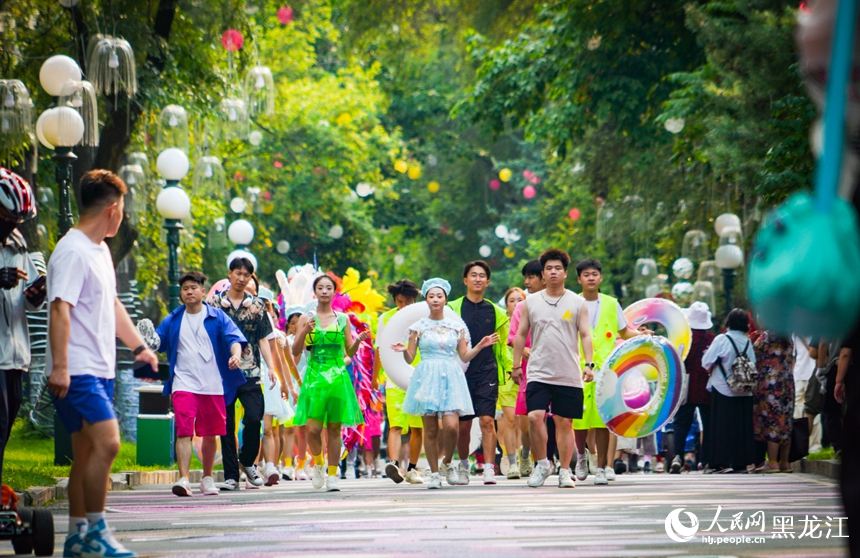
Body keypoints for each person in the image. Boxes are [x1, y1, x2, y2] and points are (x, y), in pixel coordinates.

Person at [47, 170, 158, 558]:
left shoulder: (99, 251)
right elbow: (60, 307)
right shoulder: (73, 250)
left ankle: (78, 536)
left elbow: (111, 305)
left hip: (99, 368)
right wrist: (60, 366)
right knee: (109, 442)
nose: (123, 217)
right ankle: (96, 530)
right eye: (123, 210)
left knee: (87, 455)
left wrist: (139, 347)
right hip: (77, 370)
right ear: (112, 209)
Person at [394, 278, 497, 489]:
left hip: (451, 377)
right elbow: (411, 358)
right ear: (426, 299)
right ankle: (433, 474)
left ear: (445, 299)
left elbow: (465, 356)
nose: (435, 300)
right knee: (430, 430)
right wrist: (405, 349)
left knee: (451, 426)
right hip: (427, 377)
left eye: (439, 296)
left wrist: (480, 346)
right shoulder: (417, 328)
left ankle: (448, 462)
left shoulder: (456, 327)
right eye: (431, 296)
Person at [155, 271, 246, 497]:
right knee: (184, 430)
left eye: (193, 288)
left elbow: (234, 339)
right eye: (185, 289)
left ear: (202, 291)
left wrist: (236, 355)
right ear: (181, 294)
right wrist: (147, 341)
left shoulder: (217, 317)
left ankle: (206, 478)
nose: (189, 292)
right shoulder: (173, 320)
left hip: (212, 384)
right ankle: (184, 479)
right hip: (183, 383)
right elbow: (157, 342)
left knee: (209, 433)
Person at [512, 249, 595, 489]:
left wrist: (589, 364)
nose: (553, 272)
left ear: (566, 273)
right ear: (543, 273)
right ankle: (542, 463)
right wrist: (516, 365)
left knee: (564, 422)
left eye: (557, 268)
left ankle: (565, 471)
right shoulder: (531, 302)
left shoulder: (577, 302)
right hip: (538, 370)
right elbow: (520, 335)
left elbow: (586, 335)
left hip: (568, 371)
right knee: (534, 417)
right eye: (548, 268)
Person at [207, 258, 280, 490]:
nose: (241, 279)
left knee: (253, 418)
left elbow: (263, 339)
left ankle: (247, 461)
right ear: (229, 274)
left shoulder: (257, 306)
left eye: (246, 275)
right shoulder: (215, 304)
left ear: (251, 278)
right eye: (237, 273)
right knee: (225, 424)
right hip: (223, 374)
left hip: (250, 372)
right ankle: (230, 476)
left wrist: (271, 368)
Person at [291, 275, 367, 492]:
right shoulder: (307, 318)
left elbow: (348, 351)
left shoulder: (343, 319)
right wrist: (304, 331)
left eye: (329, 288)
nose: (324, 291)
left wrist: (358, 342)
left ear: (335, 292)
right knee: (313, 429)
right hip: (314, 377)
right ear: (315, 292)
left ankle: (332, 475)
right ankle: (318, 463)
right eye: (320, 288)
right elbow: (295, 351)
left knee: (334, 429)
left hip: (337, 378)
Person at [573, 258, 643, 485]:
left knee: (603, 420)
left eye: (594, 274)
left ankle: (602, 467)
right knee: (579, 420)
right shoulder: (571, 303)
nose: (591, 278)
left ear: (600, 278)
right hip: (576, 369)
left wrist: (642, 334)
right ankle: (582, 457)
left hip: (605, 371)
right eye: (586, 275)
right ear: (579, 279)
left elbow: (625, 331)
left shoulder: (612, 304)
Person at [0, 168, 45, 497]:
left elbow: (30, 302)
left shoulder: (18, 243)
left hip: (16, 355)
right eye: (7, 217)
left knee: (6, 426)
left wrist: (38, 292)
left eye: (18, 219)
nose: (13, 225)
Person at [448, 261, 512, 485]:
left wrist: (511, 368)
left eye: (481, 275)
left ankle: (489, 469)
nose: (477, 279)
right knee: (464, 425)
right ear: (465, 280)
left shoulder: (496, 312)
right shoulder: (453, 308)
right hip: (461, 372)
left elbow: (504, 345)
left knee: (487, 420)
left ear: (488, 281)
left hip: (487, 371)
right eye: (473, 275)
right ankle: (464, 464)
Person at [372, 279, 425, 485]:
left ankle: (412, 468)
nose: (404, 306)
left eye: (409, 301)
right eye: (400, 301)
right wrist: (376, 377)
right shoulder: (386, 318)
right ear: (395, 300)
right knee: (395, 425)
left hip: (419, 377)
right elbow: (379, 349)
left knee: (417, 427)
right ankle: (394, 464)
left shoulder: (423, 319)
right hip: (394, 378)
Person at [701, 308, 757, 474]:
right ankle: (741, 462)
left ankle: (721, 461)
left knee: (722, 427)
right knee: (742, 427)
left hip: (723, 387)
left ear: (728, 322)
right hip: (745, 390)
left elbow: (706, 361)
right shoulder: (748, 341)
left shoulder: (721, 339)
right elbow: (753, 362)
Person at [507, 260, 544, 477]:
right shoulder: (522, 307)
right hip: (529, 369)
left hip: (554, 368)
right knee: (529, 419)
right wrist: (523, 354)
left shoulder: (562, 303)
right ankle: (526, 453)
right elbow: (513, 337)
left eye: (531, 277)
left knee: (551, 417)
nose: (526, 282)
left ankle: (546, 461)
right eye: (526, 277)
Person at [670, 302, 715, 473]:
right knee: (708, 424)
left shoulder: (682, 338)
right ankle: (707, 461)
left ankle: (677, 457)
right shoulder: (711, 339)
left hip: (685, 388)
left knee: (681, 423)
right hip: (706, 388)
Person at [752, 331, 795, 473]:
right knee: (785, 422)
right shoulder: (788, 337)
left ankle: (772, 462)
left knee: (772, 423)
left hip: (770, 384)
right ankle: (785, 462)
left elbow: (754, 353)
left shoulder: (766, 336)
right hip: (787, 384)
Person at [499, 287, 525, 478]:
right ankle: (512, 462)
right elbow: (500, 350)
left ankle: (526, 454)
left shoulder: (532, 320)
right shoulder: (501, 323)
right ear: (506, 304)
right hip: (507, 377)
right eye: (512, 301)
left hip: (528, 375)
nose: (516, 304)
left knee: (526, 423)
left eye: (519, 300)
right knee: (509, 420)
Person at [281, 307, 309, 480]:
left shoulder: (309, 341)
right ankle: (287, 465)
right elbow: (291, 362)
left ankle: (301, 465)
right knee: (289, 428)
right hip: (289, 385)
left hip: (305, 386)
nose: (296, 326)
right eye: (293, 323)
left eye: (300, 323)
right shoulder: (285, 341)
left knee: (303, 428)